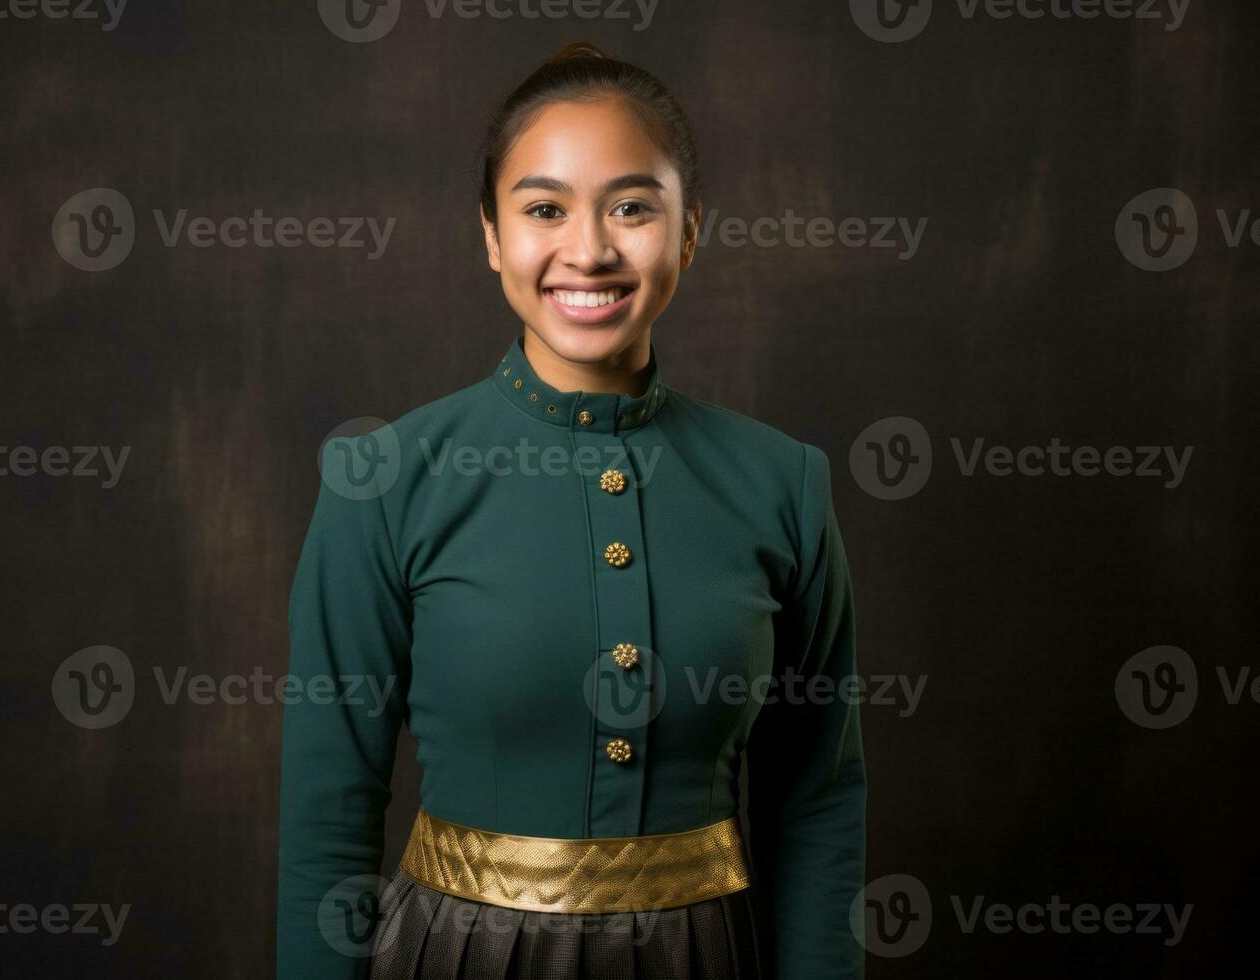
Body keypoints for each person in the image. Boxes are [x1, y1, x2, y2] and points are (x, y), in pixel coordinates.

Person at [276, 40, 866, 980]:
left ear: (690, 229)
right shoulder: (382, 482)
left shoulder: (781, 484)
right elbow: (329, 810)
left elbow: (816, 803)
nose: (587, 249)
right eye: (543, 209)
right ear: (489, 235)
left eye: (632, 208)